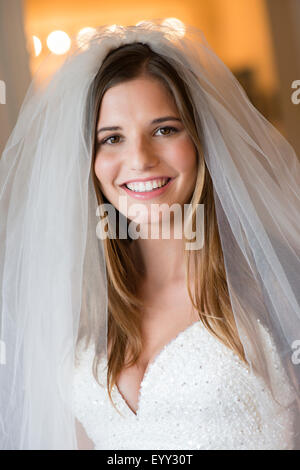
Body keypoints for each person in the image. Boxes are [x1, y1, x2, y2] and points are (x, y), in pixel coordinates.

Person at [0, 20, 299, 450]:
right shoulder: (80, 302)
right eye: (112, 138)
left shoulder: (277, 280)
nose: (139, 159)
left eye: (164, 129)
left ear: (200, 139)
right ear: (89, 160)